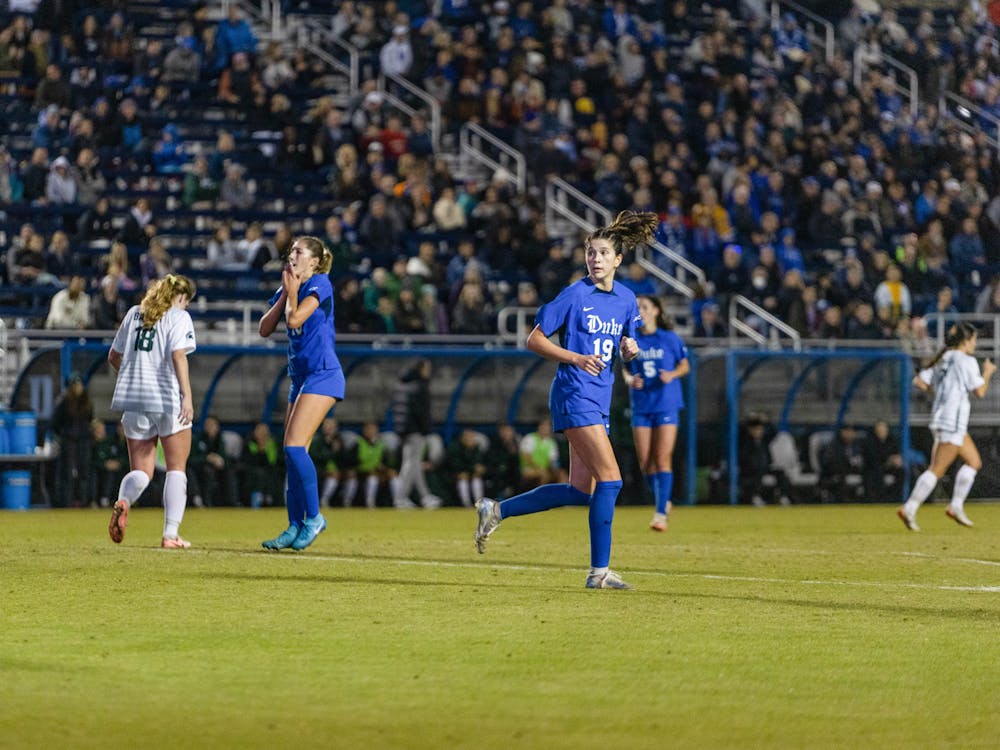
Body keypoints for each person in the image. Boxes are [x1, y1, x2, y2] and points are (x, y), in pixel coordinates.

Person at [474, 210, 655, 590]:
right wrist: (574, 357)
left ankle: (497, 510)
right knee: (611, 480)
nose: (596, 259)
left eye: (604, 253)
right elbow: (534, 339)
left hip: (599, 399)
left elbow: (623, 347)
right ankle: (599, 572)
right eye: (591, 252)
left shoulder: (625, 299)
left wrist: (630, 350)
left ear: (618, 260)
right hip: (574, 395)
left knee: (579, 490)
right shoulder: (575, 294)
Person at [258, 236, 342, 550]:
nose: (292, 255)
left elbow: (295, 319)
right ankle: (294, 526)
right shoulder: (290, 287)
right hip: (302, 377)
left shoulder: (321, 283)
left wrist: (292, 293)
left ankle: (314, 518)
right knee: (292, 455)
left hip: (323, 374)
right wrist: (284, 294)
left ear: (315, 261)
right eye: (291, 250)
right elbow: (265, 328)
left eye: (299, 251)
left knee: (294, 448)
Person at [106, 274, 197, 548]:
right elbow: (178, 356)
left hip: (133, 400)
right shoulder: (179, 317)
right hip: (167, 399)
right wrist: (187, 396)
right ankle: (170, 534)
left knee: (143, 472)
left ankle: (124, 500)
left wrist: (135, 376)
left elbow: (113, 356)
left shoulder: (134, 314)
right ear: (180, 297)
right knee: (176, 468)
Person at [898, 323, 997, 531]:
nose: (974, 344)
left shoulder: (943, 357)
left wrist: (942, 395)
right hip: (952, 421)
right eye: (973, 340)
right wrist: (987, 372)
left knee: (973, 462)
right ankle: (910, 507)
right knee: (937, 469)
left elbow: (920, 382)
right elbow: (979, 392)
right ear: (966, 340)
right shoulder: (967, 361)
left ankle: (956, 506)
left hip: (944, 418)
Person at [622, 294, 689, 532]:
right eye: (638, 307)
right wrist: (630, 379)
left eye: (645, 306)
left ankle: (660, 513)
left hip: (666, 403)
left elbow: (684, 365)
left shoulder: (669, 338)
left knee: (662, 458)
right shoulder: (631, 339)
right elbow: (625, 369)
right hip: (641, 404)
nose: (641, 310)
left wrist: (671, 375)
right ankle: (664, 497)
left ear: (657, 311)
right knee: (645, 462)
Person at [390, 358, 441, 509]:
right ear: (421, 369)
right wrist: (427, 430)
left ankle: (425, 496)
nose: (428, 371)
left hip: (404, 429)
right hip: (415, 430)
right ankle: (400, 497)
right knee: (410, 464)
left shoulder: (403, 384)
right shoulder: (420, 386)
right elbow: (422, 412)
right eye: (427, 368)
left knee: (414, 463)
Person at [51, 372, 94, 507]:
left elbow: (90, 420)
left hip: (84, 440)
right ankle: (66, 502)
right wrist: (64, 434)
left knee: (84, 472)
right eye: (75, 385)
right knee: (67, 473)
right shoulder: (64, 402)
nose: (77, 387)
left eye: (79, 384)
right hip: (69, 440)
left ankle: (83, 501)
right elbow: (55, 423)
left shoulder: (87, 403)